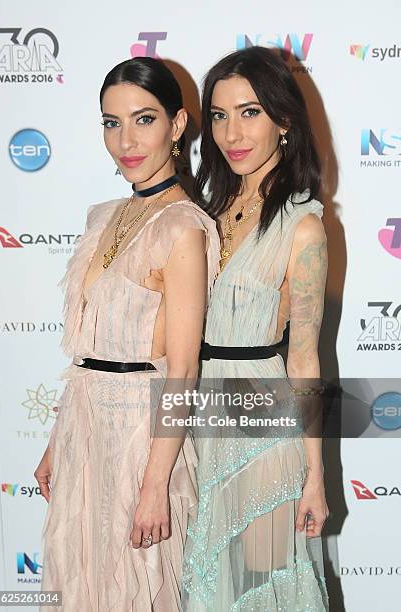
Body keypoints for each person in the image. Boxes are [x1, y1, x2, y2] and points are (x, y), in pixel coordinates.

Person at [34, 56, 220, 611]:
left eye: (143, 119)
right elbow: (90, 351)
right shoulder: (103, 216)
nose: (125, 141)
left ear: (178, 125)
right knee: (84, 581)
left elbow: (182, 370)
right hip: (83, 425)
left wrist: (155, 484)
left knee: (137, 588)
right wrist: (54, 444)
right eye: (111, 123)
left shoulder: (184, 228)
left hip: (140, 436)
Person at [182, 46, 330, 610]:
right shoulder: (208, 208)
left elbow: (305, 361)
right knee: (208, 582)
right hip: (198, 418)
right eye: (218, 115)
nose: (231, 132)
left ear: (283, 120)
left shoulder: (304, 227)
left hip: (264, 432)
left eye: (250, 112)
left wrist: (314, 477)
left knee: (262, 584)